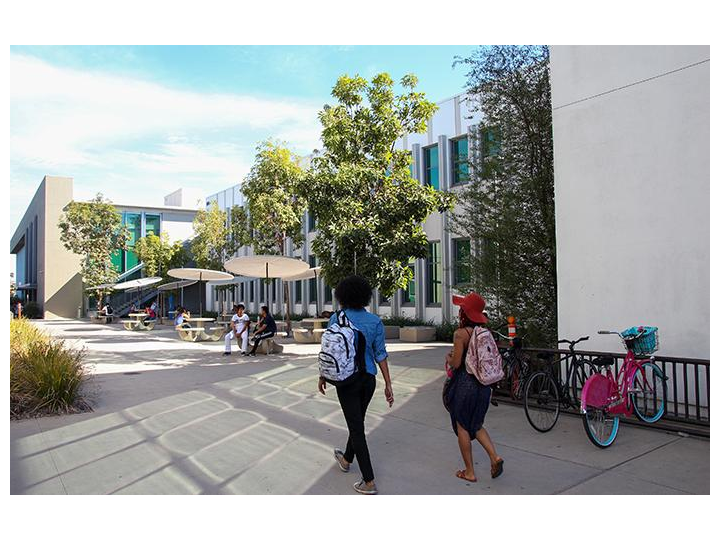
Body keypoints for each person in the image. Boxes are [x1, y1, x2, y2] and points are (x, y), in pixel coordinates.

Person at [319, 275, 393, 495]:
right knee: (357, 421)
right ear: (364, 296)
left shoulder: (337, 318)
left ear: (342, 296)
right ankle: (346, 459)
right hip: (368, 379)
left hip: (346, 381)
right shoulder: (375, 321)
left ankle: (369, 481)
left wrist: (322, 375)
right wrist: (388, 384)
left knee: (356, 428)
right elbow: (381, 355)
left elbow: (330, 349)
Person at [445, 292, 504, 483]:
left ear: (465, 313)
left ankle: (469, 472)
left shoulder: (460, 334)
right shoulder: (485, 333)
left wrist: (449, 357)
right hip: (484, 386)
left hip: (465, 384)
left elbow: (455, 363)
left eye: (461, 309)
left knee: (462, 425)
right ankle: (495, 457)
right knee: (477, 424)